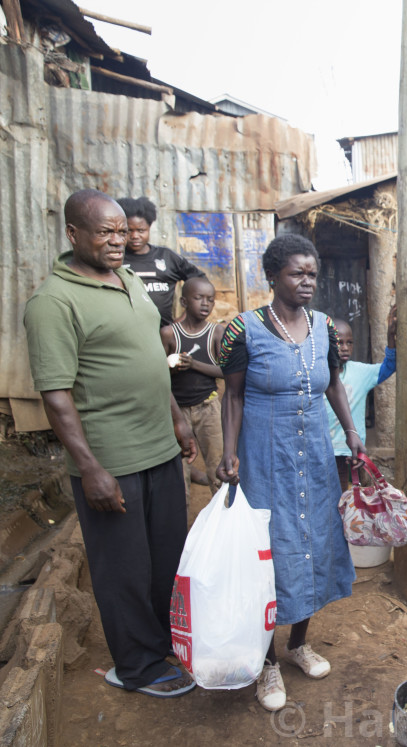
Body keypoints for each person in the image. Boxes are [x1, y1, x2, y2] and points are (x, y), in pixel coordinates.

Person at [23, 189, 198, 698]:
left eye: (122, 231)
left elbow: (147, 357)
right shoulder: (53, 302)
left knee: (167, 557)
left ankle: (162, 643)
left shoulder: (124, 278)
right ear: (73, 234)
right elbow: (55, 396)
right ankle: (137, 666)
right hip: (112, 459)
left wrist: (178, 422)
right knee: (124, 569)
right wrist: (89, 467)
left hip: (159, 449)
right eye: (105, 232)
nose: (118, 241)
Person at [215, 234, 366, 713]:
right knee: (269, 555)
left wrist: (352, 432)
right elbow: (233, 396)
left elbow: (335, 385)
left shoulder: (323, 326)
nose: (307, 282)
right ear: (274, 276)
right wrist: (228, 453)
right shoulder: (245, 330)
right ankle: (267, 664)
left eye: (312, 275)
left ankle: (299, 642)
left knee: (314, 545)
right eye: (297, 273)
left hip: (316, 459)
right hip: (264, 459)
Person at [161, 276, 225, 495]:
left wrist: (193, 364)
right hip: (176, 411)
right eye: (199, 298)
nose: (205, 304)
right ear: (184, 301)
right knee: (179, 473)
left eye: (210, 299)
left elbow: (225, 371)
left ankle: (222, 521)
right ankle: (180, 524)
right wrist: (172, 367)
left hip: (208, 408)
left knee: (218, 467)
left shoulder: (216, 332)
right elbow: (157, 373)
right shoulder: (169, 333)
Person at [327, 309, 397, 488]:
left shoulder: (359, 372)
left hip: (349, 452)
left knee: (346, 496)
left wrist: (391, 339)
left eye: (349, 343)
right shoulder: (319, 376)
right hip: (322, 451)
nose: (344, 347)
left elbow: (389, 367)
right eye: (339, 342)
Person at [116, 196, 205, 326]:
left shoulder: (167, 257)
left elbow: (200, 281)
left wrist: (185, 318)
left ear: (149, 228)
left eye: (141, 230)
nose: (135, 236)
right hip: (125, 332)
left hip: (162, 335)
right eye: (129, 231)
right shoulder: (115, 258)